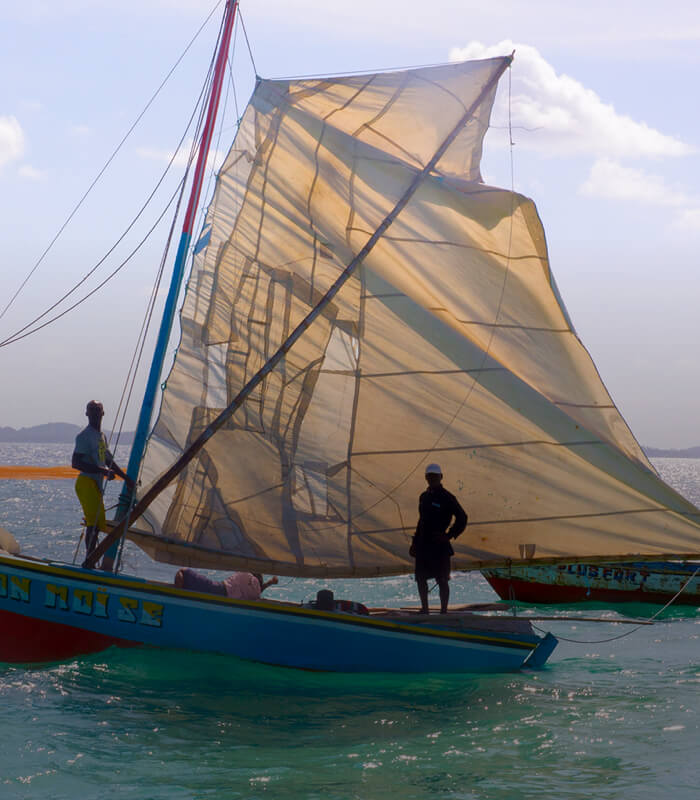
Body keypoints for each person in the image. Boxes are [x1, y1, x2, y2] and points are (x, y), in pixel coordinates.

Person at [72, 400, 133, 571]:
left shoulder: (102, 437)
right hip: (85, 482)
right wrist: (103, 471)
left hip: (95, 484)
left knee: (99, 523)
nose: (95, 412)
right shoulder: (83, 436)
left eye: (97, 409)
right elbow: (76, 463)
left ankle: (91, 561)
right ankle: (89, 562)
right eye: (91, 410)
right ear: (86, 414)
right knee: (93, 523)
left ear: (103, 413)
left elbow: (108, 460)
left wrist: (125, 478)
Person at [410, 463, 467, 614]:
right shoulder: (424, 497)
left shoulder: (447, 497)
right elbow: (421, 521)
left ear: (441, 477)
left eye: (435, 476)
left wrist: (448, 535)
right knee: (421, 579)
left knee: (442, 579)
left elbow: (462, 518)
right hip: (423, 544)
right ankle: (425, 609)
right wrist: (414, 542)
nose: (432, 479)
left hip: (439, 545)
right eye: (429, 476)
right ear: (426, 478)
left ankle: (443, 611)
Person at [174, 568, 279, 600]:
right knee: (184, 573)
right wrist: (269, 583)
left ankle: (178, 596)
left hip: (220, 589)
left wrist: (269, 583)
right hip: (220, 591)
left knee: (184, 572)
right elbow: (258, 590)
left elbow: (258, 588)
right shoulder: (253, 587)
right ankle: (179, 596)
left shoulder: (247, 576)